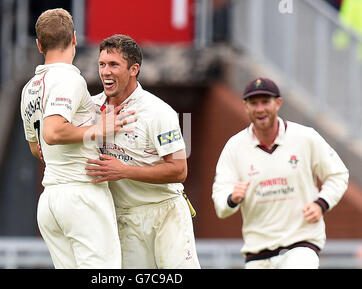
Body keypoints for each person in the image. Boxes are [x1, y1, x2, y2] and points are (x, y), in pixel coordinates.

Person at [20, 9, 135, 269]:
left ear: (39, 45)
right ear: (74, 38)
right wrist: (98, 129)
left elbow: (37, 148)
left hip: (51, 199)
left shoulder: (30, 88)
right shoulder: (69, 79)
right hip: (80, 194)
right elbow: (52, 133)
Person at [85, 34, 201, 269]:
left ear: (133, 69)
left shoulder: (158, 111)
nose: (106, 72)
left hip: (166, 213)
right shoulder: (90, 109)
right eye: (102, 64)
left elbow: (179, 170)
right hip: (125, 218)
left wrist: (124, 171)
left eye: (114, 65)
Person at [211, 77, 349, 269]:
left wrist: (321, 204)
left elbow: (338, 174)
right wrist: (232, 198)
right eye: (254, 103)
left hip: (301, 245)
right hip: (257, 253)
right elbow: (220, 202)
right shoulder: (235, 147)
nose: (260, 109)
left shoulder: (305, 137)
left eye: (265, 102)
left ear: (278, 103)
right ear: (245, 106)